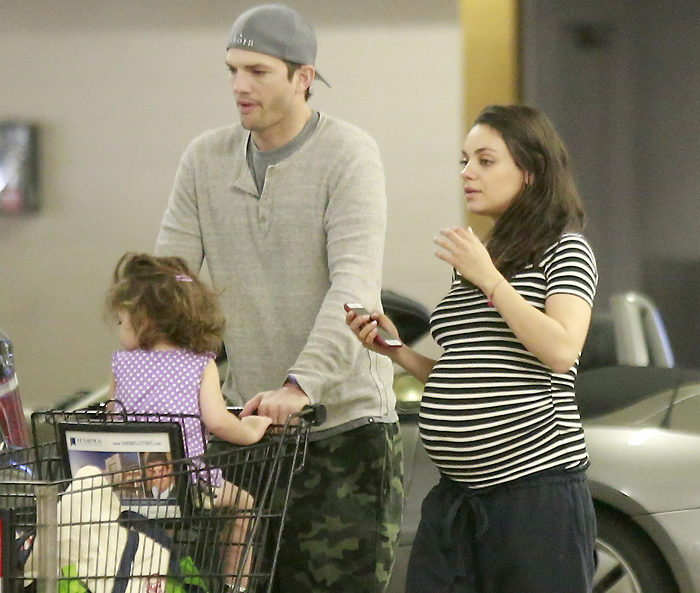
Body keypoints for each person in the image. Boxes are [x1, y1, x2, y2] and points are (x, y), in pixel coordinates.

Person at [153, 4, 402, 592]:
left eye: (258, 71)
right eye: (233, 70)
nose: (239, 86)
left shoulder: (348, 153)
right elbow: (170, 286)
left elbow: (353, 288)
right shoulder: (205, 159)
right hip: (245, 436)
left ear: (302, 77)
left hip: (343, 436)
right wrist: (154, 389)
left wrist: (299, 384)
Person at [348, 104, 598, 593]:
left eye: (485, 161)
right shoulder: (479, 260)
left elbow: (561, 349)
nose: (467, 173)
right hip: (459, 496)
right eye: (464, 161)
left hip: (534, 494)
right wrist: (396, 350)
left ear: (530, 171)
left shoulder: (565, 248)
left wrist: (490, 279)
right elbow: (468, 371)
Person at [105, 252, 272, 592]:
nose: (120, 330)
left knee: (154, 529)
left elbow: (112, 418)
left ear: (145, 321)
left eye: (121, 322)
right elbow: (219, 421)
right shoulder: (200, 364)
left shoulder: (121, 364)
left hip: (129, 480)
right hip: (186, 483)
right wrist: (252, 430)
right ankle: (235, 585)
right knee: (243, 505)